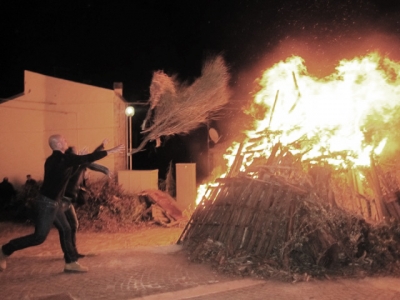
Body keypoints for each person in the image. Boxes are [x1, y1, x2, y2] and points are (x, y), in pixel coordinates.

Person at [0, 134, 124, 273]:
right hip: (47, 204)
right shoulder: (62, 158)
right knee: (39, 237)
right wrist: (110, 151)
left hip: (54, 203)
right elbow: (88, 158)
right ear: (58, 144)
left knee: (66, 229)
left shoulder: (54, 160)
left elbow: (68, 175)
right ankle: (4, 250)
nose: (67, 141)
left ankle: (70, 262)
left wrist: (77, 162)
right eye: (64, 140)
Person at [62, 141, 111, 258]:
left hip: (68, 199)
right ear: (71, 155)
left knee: (71, 226)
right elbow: (90, 159)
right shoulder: (75, 165)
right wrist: (101, 148)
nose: (78, 153)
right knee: (68, 227)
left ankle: (71, 253)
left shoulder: (77, 164)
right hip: (64, 200)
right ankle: (70, 253)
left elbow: (89, 161)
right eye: (76, 152)